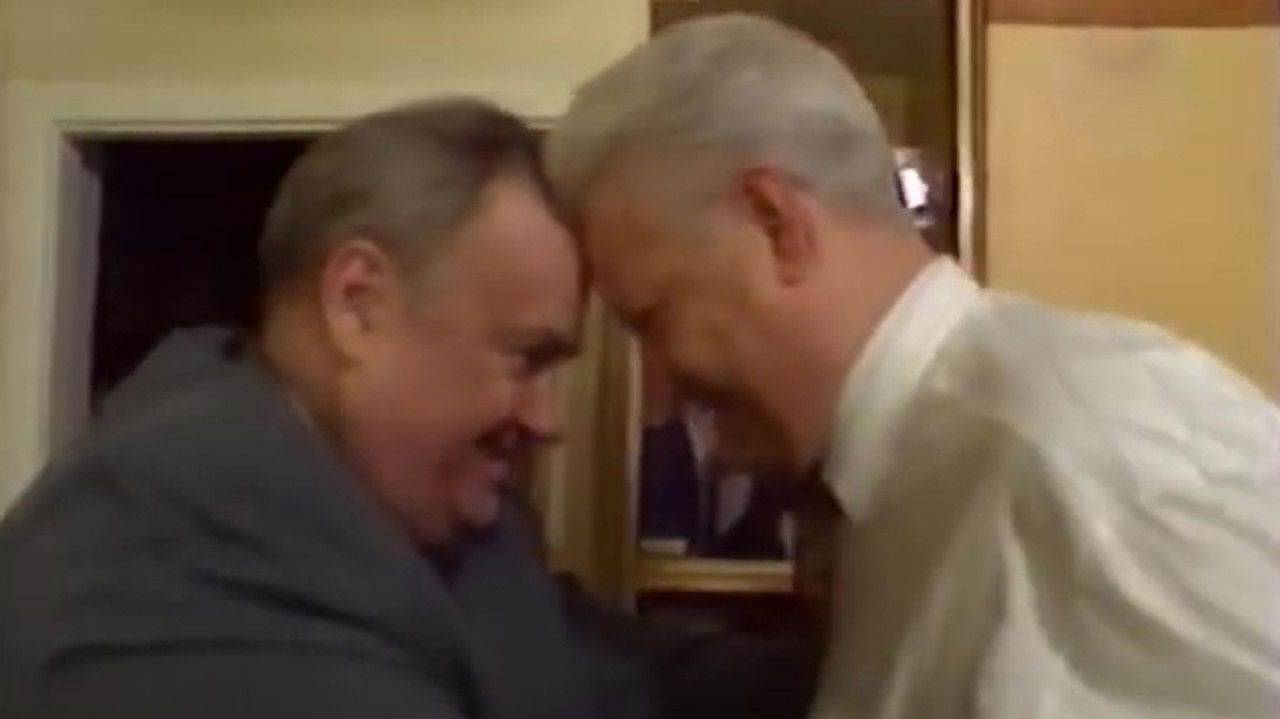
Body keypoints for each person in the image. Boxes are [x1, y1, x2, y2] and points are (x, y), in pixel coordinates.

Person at [544, 14, 1280, 719]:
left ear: (776, 224)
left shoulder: (1080, 453)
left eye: (654, 317)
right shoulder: (909, 485)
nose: (660, 384)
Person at [0, 98, 818, 719]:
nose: (548, 419)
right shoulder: (159, 569)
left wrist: (855, 658)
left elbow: (602, 665)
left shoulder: (432, 504)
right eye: (525, 357)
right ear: (357, 302)